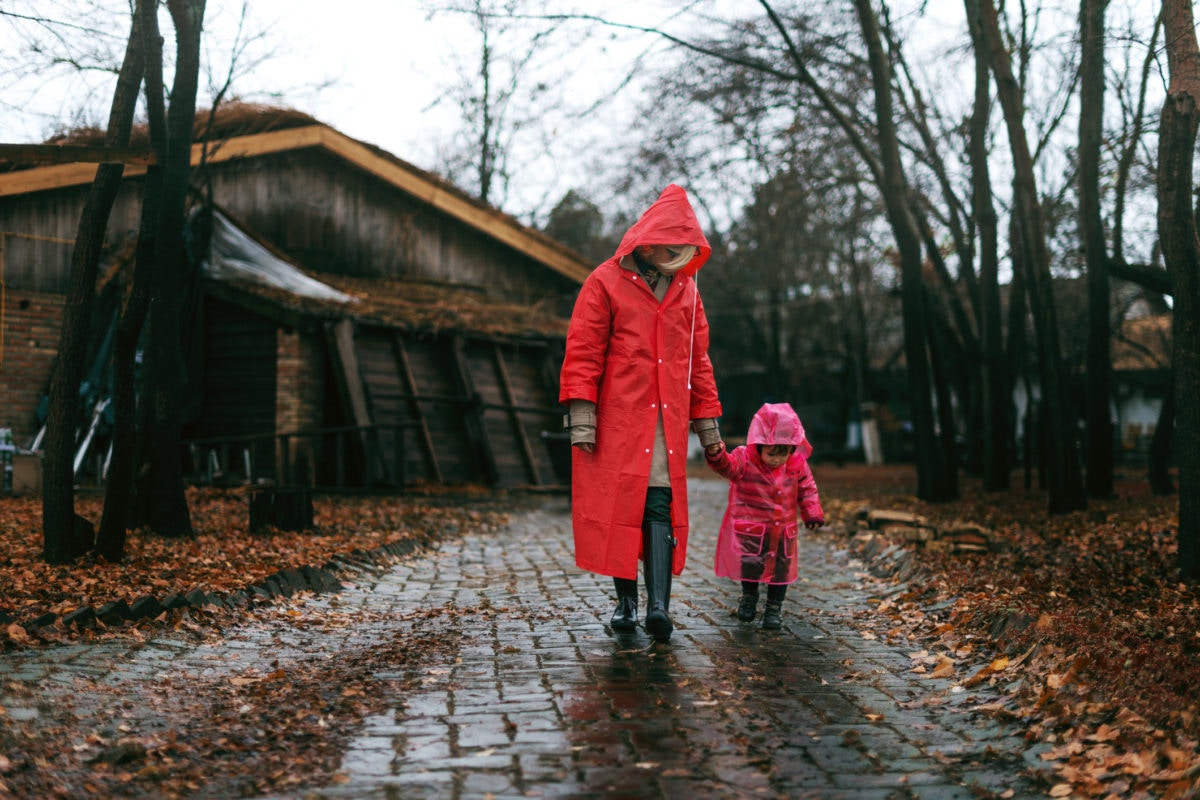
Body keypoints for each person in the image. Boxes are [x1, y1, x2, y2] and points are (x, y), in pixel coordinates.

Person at [559, 184, 723, 642]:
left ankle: (659, 606)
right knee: (620, 508)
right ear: (648, 242)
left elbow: (699, 361)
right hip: (619, 420)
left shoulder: (689, 292)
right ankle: (627, 603)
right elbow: (584, 353)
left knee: (657, 506)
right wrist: (582, 418)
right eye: (672, 248)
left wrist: (708, 427)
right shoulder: (603, 282)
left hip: (665, 422)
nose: (678, 258)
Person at [704, 402, 825, 630]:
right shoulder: (744, 458)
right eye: (772, 453)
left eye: (784, 453)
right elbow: (727, 467)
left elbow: (807, 488)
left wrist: (812, 512)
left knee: (781, 571)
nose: (778, 459)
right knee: (750, 565)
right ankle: (748, 597)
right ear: (759, 445)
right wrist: (717, 454)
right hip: (752, 529)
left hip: (783, 532)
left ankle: (773, 609)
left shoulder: (797, 464)